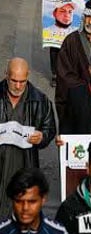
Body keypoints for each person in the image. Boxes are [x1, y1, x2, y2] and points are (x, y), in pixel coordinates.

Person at [0, 59, 56, 218]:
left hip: (25, 161)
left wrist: (42, 137)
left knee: (23, 208)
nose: (18, 86)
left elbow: (49, 128)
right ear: (6, 75)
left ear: (28, 77)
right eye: (14, 81)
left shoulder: (40, 100)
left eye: (22, 82)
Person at [0, 168, 72, 234]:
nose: (25, 208)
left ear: (43, 199)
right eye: (19, 201)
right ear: (12, 201)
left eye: (32, 202)